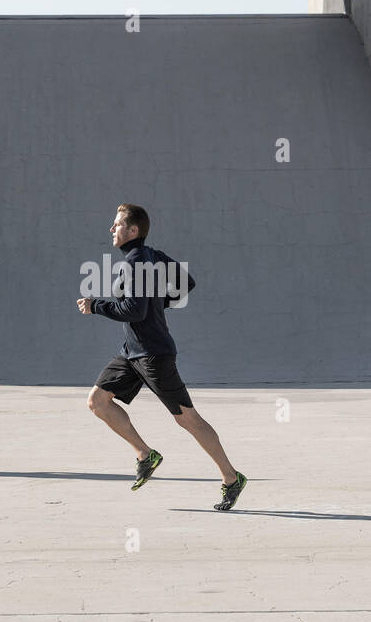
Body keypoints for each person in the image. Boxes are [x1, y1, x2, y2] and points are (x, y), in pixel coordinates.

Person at [77, 204, 247, 511]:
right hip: (132, 352)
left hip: (154, 355)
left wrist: (96, 306)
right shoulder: (153, 256)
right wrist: (158, 304)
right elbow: (187, 284)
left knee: (188, 419)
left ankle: (231, 478)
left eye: (117, 225)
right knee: (97, 401)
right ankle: (145, 454)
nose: (111, 229)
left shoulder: (135, 263)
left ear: (133, 231)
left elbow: (134, 311)